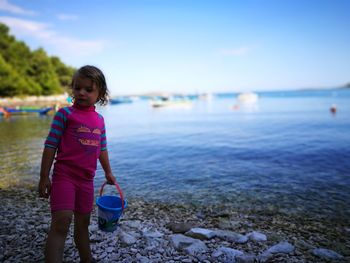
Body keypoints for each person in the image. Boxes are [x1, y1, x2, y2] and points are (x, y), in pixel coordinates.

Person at [38, 65, 116, 263]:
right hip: (64, 177)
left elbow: (102, 149)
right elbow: (50, 145)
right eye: (77, 87)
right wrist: (43, 176)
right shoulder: (65, 115)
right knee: (61, 223)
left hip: (86, 181)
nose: (81, 92)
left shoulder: (99, 120)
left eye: (88, 89)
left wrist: (108, 173)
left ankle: (87, 259)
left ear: (100, 94)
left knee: (83, 225)